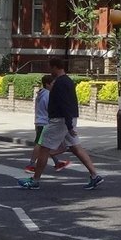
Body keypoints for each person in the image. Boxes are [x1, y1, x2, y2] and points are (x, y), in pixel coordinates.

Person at [23, 58, 103, 190]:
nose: (50, 71)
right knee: (76, 147)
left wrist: (69, 126)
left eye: (51, 68)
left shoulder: (60, 83)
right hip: (68, 119)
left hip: (60, 120)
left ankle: (35, 180)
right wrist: (70, 124)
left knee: (43, 148)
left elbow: (65, 105)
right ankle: (95, 175)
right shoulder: (68, 81)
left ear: (55, 67)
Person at [26, 74, 72, 172]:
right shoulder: (48, 95)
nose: (54, 86)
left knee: (46, 145)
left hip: (40, 122)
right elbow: (50, 108)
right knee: (40, 144)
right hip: (44, 123)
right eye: (53, 83)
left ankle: (57, 163)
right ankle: (31, 165)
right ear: (47, 84)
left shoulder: (41, 93)